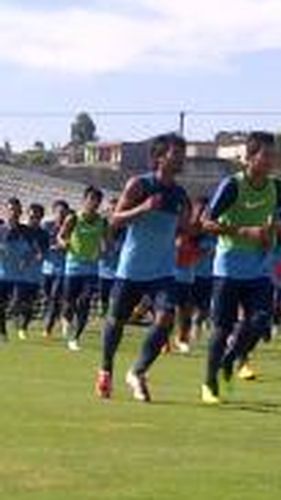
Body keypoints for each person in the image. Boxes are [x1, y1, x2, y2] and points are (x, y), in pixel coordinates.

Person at [96, 133, 191, 402]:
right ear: (160, 157)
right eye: (176, 153)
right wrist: (144, 208)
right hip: (132, 269)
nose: (182, 158)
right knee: (116, 322)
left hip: (163, 271)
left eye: (183, 153)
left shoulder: (180, 194)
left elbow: (184, 229)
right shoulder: (139, 185)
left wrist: (192, 228)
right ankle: (105, 369)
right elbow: (115, 220)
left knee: (165, 319)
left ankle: (137, 372)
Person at [201, 131, 281, 405]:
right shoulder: (232, 185)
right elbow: (206, 222)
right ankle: (209, 382)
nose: (271, 160)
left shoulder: (278, 187)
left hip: (259, 268)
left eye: (274, 155)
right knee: (222, 328)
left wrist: (273, 234)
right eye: (266, 154)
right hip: (228, 266)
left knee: (261, 320)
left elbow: (278, 218)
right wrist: (244, 231)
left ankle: (231, 358)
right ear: (249, 158)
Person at [58, 186, 107, 352]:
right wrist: (64, 243)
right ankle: (65, 320)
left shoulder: (102, 221)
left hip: (91, 268)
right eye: (91, 199)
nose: (94, 203)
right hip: (73, 266)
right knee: (69, 303)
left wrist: (104, 248)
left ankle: (75, 337)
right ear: (84, 200)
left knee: (85, 301)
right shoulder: (73, 218)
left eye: (97, 200)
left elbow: (106, 240)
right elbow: (61, 235)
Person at [0, 198, 35, 343]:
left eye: (16, 210)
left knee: (18, 303)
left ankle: (19, 324)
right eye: (11, 209)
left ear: (21, 212)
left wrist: (26, 261)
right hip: (2, 274)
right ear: (6, 211)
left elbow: (32, 251)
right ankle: (2, 332)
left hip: (21, 276)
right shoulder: (1, 230)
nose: (14, 213)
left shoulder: (26, 231)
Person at [172, 201, 204, 354]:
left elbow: (194, 256)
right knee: (171, 311)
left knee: (187, 311)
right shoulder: (176, 230)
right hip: (172, 276)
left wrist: (196, 254)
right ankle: (167, 339)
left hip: (189, 277)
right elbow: (177, 255)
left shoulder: (198, 232)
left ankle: (182, 339)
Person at [14, 203, 48, 340]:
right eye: (31, 215)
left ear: (41, 218)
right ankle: (17, 321)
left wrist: (35, 255)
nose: (33, 218)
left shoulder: (43, 234)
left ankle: (23, 327)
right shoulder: (21, 230)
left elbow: (42, 254)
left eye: (37, 216)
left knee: (30, 303)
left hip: (34, 275)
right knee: (16, 301)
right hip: (18, 273)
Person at [41, 200, 70, 339]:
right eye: (59, 212)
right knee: (48, 297)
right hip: (47, 268)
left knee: (54, 297)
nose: (61, 215)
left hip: (62, 269)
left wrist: (66, 246)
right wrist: (51, 247)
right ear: (53, 212)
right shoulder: (47, 226)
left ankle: (48, 328)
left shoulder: (70, 227)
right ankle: (60, 316)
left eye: (64, 213)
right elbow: (41, 243)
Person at [190, 198, 215, 342]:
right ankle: (181, 335)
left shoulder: (214, 233)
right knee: (186, 309)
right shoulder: (194, 234)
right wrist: (202, 253)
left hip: (209, 276)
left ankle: (195, 334)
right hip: (193, 274)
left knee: (203, 310)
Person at [98, 197, 124, 318]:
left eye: (116, 209)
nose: (113, 212)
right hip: (102, 269)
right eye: (111, 209)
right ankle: (104, 312)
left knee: (115, 297)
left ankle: (112, 315)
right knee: (103, 296)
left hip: (119, 271)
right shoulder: (100, 226)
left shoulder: (126, 228)